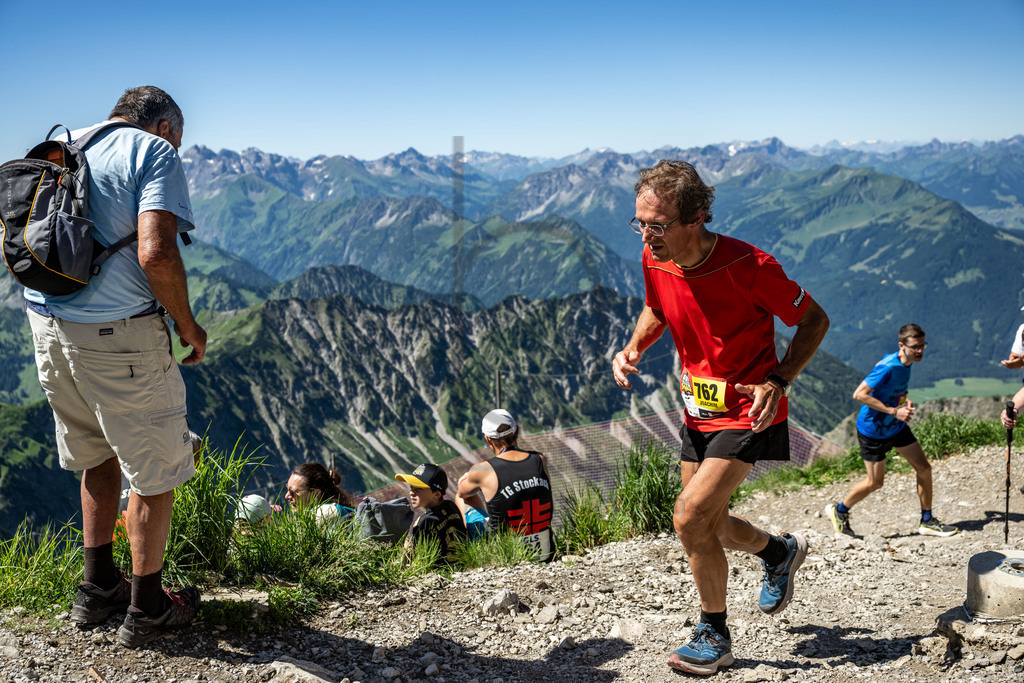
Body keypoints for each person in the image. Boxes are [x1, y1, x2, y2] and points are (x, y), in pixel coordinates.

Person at [611, 160, 830, 675]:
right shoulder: (654, 256)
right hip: (697, 409)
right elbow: (658, 308)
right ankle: (778, 551)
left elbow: (815, 319)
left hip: (749, 411)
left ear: (698, 218)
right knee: (709, 525)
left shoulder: (750, 267)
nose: (646, 235)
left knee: (688, 516)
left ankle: (715, 634)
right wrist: (633, 347)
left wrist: (779, 381)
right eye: (639, 222)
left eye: (657, 225)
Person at [24, 87, 206, 648]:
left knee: (95, 453)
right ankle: (146, 609)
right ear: (167, 126)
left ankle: (96, 585)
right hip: (120, 337)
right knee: (154, 473)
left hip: (48, 326)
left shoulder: (61, 143)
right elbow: (156, 252)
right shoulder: (154, 152)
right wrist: (186, 325)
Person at [826, 324, 959, 538]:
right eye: (915, 347)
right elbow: (859, 394)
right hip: (873, 431)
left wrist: (903, 403)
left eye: (923, 345)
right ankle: (839, 511)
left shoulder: (906, 363)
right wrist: (893, 411)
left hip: (894, 427)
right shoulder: (888, 366)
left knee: (924, 468)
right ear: (901, 345)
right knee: (875, 482)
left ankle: (927, 520)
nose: (920, 351)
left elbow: (891, 391)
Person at [456, 409, 555, 563]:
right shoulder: (540, 460)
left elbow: (463, 492)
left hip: (504, 557)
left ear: (488, 440)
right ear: (517, 431)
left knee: (462, 498)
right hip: (546, 553)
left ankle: (472, 555)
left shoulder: (483, 470)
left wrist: (467, 477)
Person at [395, 463, 467, 564]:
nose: (411, 492)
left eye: (419, 488)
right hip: (462, 562)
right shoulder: (451, 506)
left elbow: (412, 557)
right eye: (411, 487)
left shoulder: (424, 521)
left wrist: (406, 540)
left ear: (436, 494)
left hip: (439, 571)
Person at [284, 462, 357, 514]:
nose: (286, 496)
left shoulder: (324, 516)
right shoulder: (338, 510)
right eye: (287, 489)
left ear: (315, 494)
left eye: (292, 492)